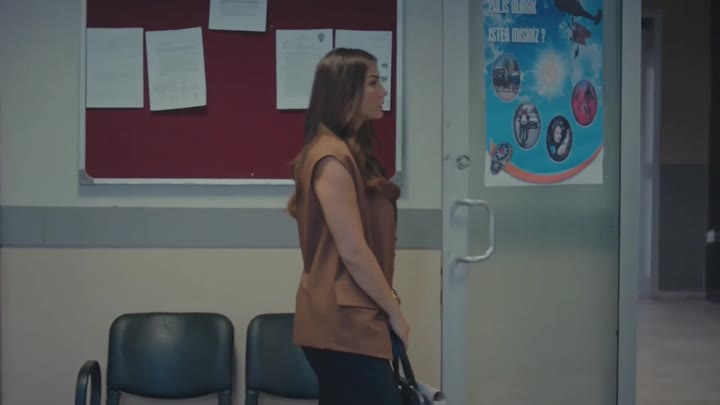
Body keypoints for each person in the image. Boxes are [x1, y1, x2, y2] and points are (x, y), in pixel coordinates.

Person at [286, 47, 409, 405]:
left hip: (351, 317)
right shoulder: (331, 157)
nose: (383, 91)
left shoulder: (349, 151)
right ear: (345, 91)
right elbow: (353, 251)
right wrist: (395, 312)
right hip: (343, 324)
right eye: (373, 83)